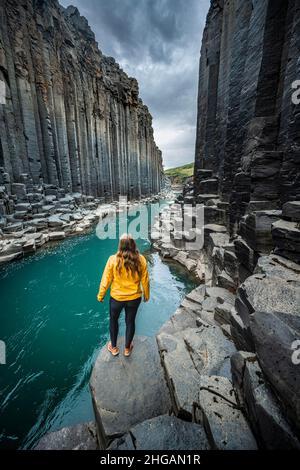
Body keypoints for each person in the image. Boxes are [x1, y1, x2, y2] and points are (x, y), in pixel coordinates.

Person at [97, 233, 150, 357]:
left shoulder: (112, 259)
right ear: (133, 244)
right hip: (134, 298)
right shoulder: (140, 259)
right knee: (130, 322)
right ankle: (127, 348)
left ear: (120, 245)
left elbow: (106, 279)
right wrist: (146, 295)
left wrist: (101, 295)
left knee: (113, 321)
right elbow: (145, 280)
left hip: (117, 299)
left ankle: (114, 348)